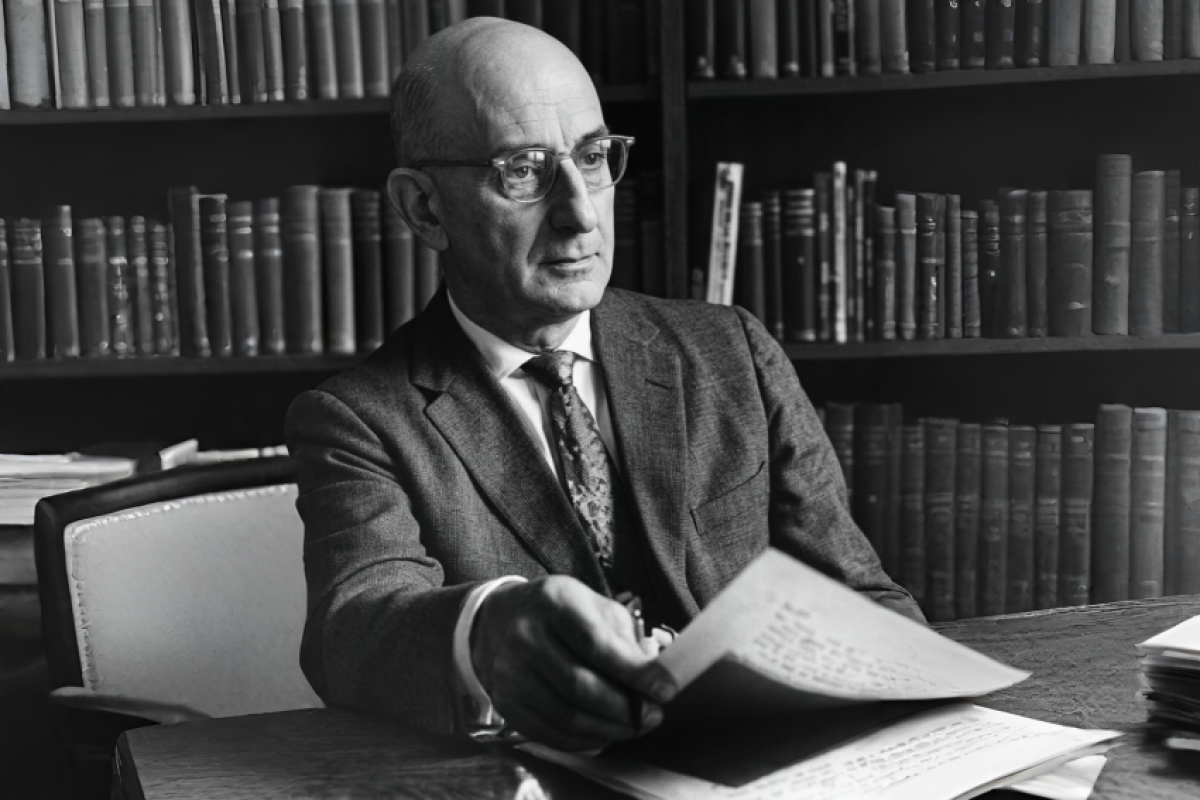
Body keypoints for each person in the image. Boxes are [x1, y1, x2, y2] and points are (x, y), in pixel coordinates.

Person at [284, 16, 921, 753]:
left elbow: (862, 600)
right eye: (523, 170)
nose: (580, 213)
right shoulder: (359, 419)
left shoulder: (733, 353)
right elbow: (354, 629)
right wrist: (487, 628)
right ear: (425, 208)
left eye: (592, 157)